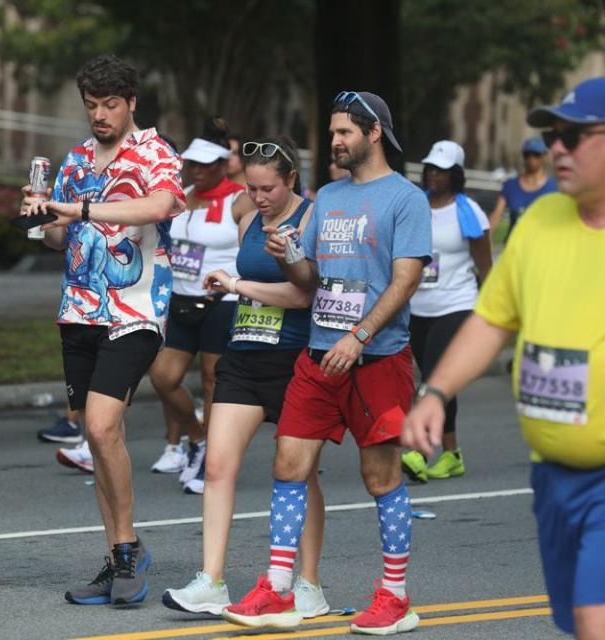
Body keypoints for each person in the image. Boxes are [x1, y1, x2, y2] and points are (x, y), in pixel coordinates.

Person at [403, 76, 605, 640]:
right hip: (552, 475)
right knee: (580, 621)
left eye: (573, 135)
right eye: (553, 135)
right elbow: (491, 321)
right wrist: (435, 393)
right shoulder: (541, 223)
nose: (556, 147)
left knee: (600, 621)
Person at [221, 91, 431, 634]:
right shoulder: (329, 197)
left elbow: (405, 278)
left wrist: (359, 336)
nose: (334, 141)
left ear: (373, 133)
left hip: (377, 359)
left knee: (380, 477)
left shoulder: (404, 199)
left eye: (343, 132)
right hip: (317, 357)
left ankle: (395, 595)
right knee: (288, 464)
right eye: (334, 131)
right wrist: (289, 259)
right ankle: (280, 587)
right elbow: (310, 281)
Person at [20, 54, 184, 607]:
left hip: (135, 311)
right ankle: (120, 554)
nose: (100, 115)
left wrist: (75, 207)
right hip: (79, 311)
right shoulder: (76, 160)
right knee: (96, 435)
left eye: (110, 104)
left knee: (101, 420)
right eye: (91, 106)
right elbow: (56, 237)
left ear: (131, 102)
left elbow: (160, 204)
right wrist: (42, 218)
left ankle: (130, 550)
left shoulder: (155, 152)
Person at [162, 136, 330, 618]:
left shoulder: (311, 217)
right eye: (252, 188)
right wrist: (228, 289)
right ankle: (211, 580)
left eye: (268, 189)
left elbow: (303, 295)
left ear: (291, 180)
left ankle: (309, 584)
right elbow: (254, 290)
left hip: (295, 357)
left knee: (302, 476)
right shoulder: (250, 221)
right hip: (243, 351)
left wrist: (237, 284)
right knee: (218, 466)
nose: (258, 198)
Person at [149, 119, 253, 489]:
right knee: (162, 376)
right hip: (180, 297)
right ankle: (197, 437)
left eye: (205, 164)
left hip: (221, 301)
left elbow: (252, 251)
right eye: (192, 163)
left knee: (213, 381)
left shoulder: (240, 201)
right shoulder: (179, 195)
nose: (196, 170)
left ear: (223, 164)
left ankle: (211, 461)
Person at [400, 141, 492, 483]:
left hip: (457, 304)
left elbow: (487, 267)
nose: (434, 175)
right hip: (417, 306)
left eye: (441, 170)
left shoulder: (470, 213)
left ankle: (418, 452)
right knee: (437, 381)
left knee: (433, 379)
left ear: (456, 174)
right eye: (430, 169)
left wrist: (491, 312)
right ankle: (452, 455)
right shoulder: (414, 206)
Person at [487, 136, 557, 240]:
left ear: (544, 157)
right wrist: (484, 241)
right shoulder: (511, 185)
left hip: (542, 247)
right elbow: (496, 216)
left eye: (536, 155)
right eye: (527, 155)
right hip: (513, 247)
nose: (531, 159)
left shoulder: (554, 188)